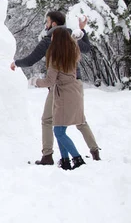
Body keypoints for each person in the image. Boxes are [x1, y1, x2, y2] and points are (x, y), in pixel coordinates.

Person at [12, 11, 100, 164]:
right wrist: (82, 29)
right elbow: (87, 48)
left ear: (53, 24)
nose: (45, 25)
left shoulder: (50, 40)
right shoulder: (71, 37)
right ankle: (94, 152)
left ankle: (48, 156)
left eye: (47, 22)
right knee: (80, 120)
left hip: (59, 85)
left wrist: (15, 63)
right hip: (76, 83)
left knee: (48, 120)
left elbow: (31, 60)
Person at [30, 28, 87, 170]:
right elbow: (74, 41)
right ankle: (65, 160)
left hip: (63, 96)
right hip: (74, 92)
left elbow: (49, 81)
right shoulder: (72, 54)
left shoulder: (56, 59)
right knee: (60, 128)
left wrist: (35, 81)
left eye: (53, 37)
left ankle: (77, 158)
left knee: (59, 131)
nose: (51, 40)